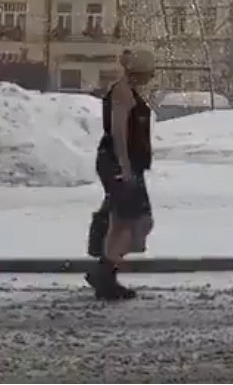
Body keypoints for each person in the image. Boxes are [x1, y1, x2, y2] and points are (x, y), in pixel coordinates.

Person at [86, 48, 156, 300]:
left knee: (125, 221)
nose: (151, 78)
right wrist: (124, 167)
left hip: (124, 164)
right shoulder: (122, 93)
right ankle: (105, 272)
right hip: (119, 164)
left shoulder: (128, 91)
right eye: (149, 73)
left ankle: (105, 271)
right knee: (131, 221)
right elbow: (118, 132)